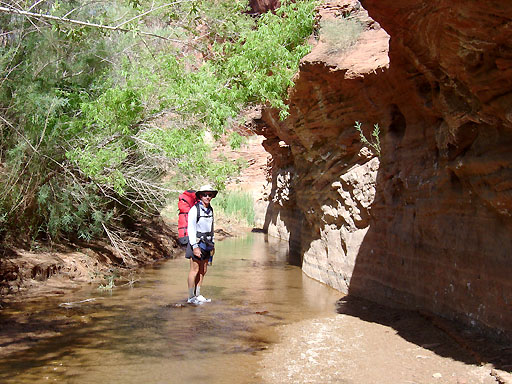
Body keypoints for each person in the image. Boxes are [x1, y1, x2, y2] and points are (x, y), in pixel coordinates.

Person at [186, 184, 217, 304]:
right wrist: (194, 246)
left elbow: (211, 228)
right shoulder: (194, 210)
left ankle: (198, 294)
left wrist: (213, 243)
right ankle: (190, 297)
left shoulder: (211, 210)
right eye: (205, 195)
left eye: (209, 195)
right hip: (197, 243)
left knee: (203, 270)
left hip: (208, 244)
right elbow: (191, 229)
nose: (207, 197)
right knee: (194, 269)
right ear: (200, 196)